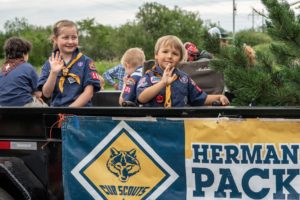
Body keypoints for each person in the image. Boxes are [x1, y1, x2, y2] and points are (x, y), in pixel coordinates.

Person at [137, 35, 230, 107]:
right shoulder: (149, 76)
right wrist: (162, 83)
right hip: (153, 124)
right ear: (156, 55)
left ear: (180, 59)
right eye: (165, 52)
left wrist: (218, 97)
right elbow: (141, 98)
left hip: (179, 124)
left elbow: (200, 98)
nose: (169, 56)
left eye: (175, 54)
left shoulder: (185, 78)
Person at [38, 20, 101, 107]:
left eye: (74, 37)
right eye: (65, 37)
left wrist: (69, 111)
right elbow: (46, 94)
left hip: (81, 115)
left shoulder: (87, 62)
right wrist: (53, 73)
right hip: (57, 115)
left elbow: (89, 93)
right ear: (55, 39)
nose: (70, 41)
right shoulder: (49, 63)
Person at [0, 37, 47, 107]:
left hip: (2, 106)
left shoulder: (3, 69)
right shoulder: (28, 67)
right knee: (46, 107)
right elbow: (39, 94)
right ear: (24, 54)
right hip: (23, 105)